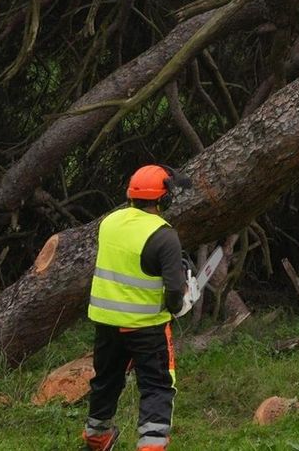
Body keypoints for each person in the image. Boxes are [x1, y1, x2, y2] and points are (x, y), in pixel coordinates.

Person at [82, 164, 194, 451]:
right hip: (146, 326)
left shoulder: (109, 223)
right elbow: (172, 289)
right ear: (164, 199)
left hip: (107, 323)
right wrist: (179, 301)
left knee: (106, 380)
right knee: (156, 386)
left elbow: (130, 262)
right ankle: (152, 446)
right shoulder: (164, 235)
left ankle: (96, 436)